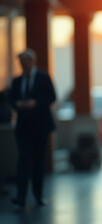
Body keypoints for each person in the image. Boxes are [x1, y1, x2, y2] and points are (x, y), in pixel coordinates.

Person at [9, 49, 56, 208]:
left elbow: (51, 97)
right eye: (20, 62)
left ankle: (38, 195)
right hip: (23, 127)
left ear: (32, 61)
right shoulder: (17, 81)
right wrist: (18, 104)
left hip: (40, 126)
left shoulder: (43, 77)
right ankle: (21, 196)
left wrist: (35, 103)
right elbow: (12, 100)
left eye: (24, 62)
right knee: (23, 160)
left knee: (38, 161)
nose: (22, 65)